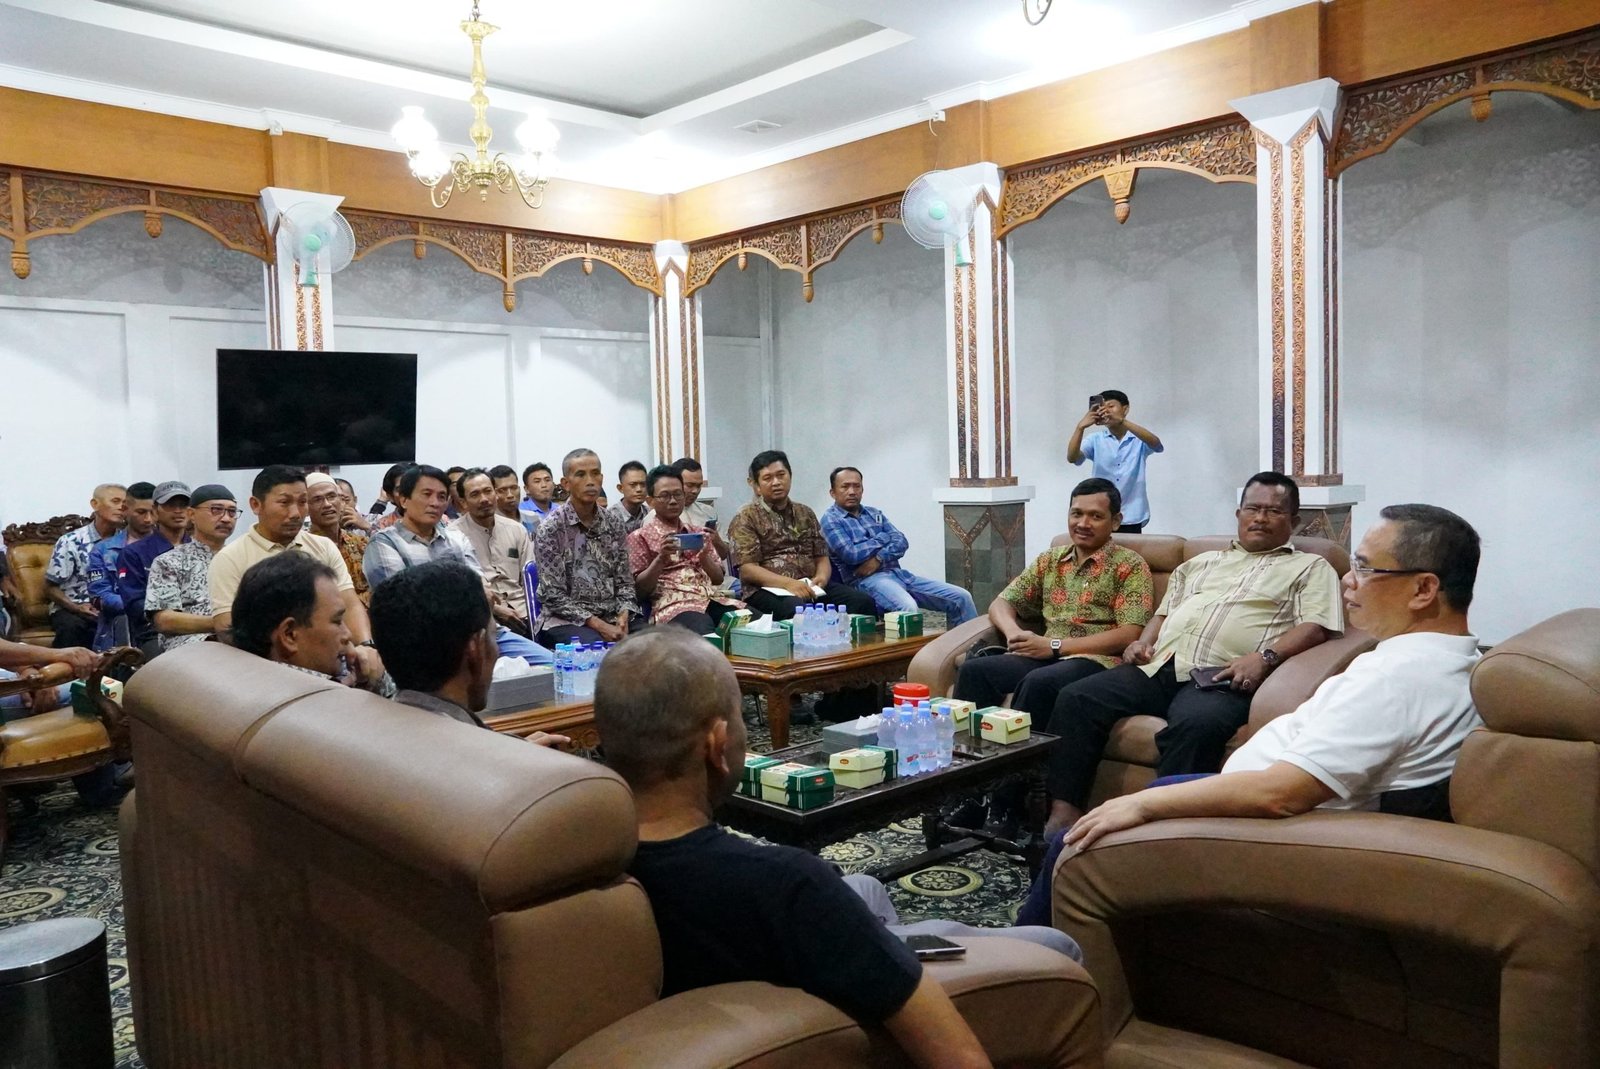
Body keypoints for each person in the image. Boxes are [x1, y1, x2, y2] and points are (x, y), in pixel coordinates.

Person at [594, 628, 1079, 1069]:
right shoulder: (787, 883)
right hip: (812, 989)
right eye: (740, 716)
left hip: (724, 986)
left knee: (865, 886)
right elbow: (959, 1057)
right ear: (718, 746)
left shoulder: (580, 858)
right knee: (1057, 944)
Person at [1041, 472, 1343, 837]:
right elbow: (1163, 613)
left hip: (1222, 675)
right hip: (1160, 665)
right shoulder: (1200, 563)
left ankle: (1167, 833)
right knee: (1077, 698)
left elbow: (1316, 626)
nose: (1260, 518)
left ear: (1293, 521)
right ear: (1239, 514)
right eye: (1252, 509)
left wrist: (1264, 657)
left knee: (1196, 726)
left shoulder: (1310, 568)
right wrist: (1142, 643)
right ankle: (1064, 813)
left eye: (1273, 511)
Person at [955, 478, 1153, 719]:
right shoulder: (1050, 560)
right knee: (974, 671)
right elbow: (1003, 602)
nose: (1083, 523)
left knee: (1039, 683)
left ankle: (1025, 746)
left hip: (1095, 660)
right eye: (1076, 514)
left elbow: (1130, 633)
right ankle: (970, 743)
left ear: (1116, 521)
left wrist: (1055, 646)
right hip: (1042, 653)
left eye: (1096, 516)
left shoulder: (1130, 565)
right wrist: (1014, 634)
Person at [209, 465, 383, 683]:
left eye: (302, 502)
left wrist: (365, 647)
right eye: (284, 503)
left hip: (334, 659)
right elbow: (228, 627)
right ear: (256, 504)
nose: (296, 513)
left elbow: (349, 603)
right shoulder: (230, 558)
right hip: (269, 672)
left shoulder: (323, 547)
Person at [364, 465, 551, 666]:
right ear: (403, 500)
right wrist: (460, 593)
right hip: (426, 643)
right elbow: (404, 605)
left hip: (481, 633)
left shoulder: (456, 539)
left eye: (441, 496)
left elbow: (482, 593)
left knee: (555, 667)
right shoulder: (385, 543)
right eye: (427, 494)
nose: (435, 503)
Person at [369, 559, 567, 747]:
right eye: (493, 636)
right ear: (476, 649)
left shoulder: (372, 735)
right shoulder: (486, 760)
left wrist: (511, 749)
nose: (497, 650)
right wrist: (515, 759)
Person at [726, 450, 877, 622]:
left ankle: (858, 641)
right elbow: (748, 570)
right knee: (798, 610)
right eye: (768, 478)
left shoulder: (805, 513)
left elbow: (821, 556)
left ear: (790, 476)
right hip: (766, 590)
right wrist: (789, 584)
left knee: (862, 602)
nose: (776, 482)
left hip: (809, 585)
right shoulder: (746, 517)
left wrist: (821, 578)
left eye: (781, 475)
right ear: (756, 485)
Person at [821, 466, 978, 626]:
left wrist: (878, 558)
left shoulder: (874, 513)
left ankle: (970, 642)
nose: (852, 492)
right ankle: (910, 644)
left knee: (961, 597)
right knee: (908, 608)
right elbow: (852, 554)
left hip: (900, 575)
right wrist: (883, 537)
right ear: (833, 492)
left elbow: (901, 541)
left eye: (857, 486)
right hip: (868, 581)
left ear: (862, 489)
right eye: (845, 487)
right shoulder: (831, 520)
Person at [228, 553, 393, 696]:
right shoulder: (328, 701)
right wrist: (375, 684)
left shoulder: (242, 684)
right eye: (337, 621)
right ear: (289, 635)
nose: (347, 634)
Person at [532, 449, 640, 646]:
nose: (590, 481)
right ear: (566, 483)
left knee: (656, 643)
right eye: (581, 475)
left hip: (612, 615)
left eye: (595, 473)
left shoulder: (614, 523)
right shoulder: (551, 528)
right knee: (597, 649)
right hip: (566, 621)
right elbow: (553, 595)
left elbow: (625, 582)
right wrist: (599, 625)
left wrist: (624, 614)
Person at [627, 464, 740, 634]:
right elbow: (639, 592)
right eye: (665, 496)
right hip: (674, 606)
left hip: (711, 599)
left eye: (678, 494)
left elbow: (717, 579)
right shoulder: (639, 537)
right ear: (650, 501)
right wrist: (660, 559)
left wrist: (704, 558)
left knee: (753, 621)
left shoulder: (698, 533)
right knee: (702, 628)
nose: (673, 501)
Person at [146, 484, 237, 652]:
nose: (226, 518)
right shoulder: (169, 561)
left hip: (242, 642)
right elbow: (164, 620)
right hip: (190, 646)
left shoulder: (241, 558)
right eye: (216, 510)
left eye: (232, 512)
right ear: (191, 515)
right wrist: (223, 624)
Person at [450, 468, 535, 636]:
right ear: (463, 502)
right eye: (475, 494)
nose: (484, 499)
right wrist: (496, 609)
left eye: (488, 491)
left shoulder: (516, 529)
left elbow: (530, 579)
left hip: (525, 611)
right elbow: (460, 590)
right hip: (484, 617)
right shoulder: (453, 536)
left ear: (495, 494)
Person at [44, 483, 128, 648]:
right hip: (73, 608)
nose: (121, 507)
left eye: (125, 504)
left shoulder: (128, 541)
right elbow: (49, 588)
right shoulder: (71, 541)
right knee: (72, 627)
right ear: (95, 504)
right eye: (115, 501)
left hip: (114, 606)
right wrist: (76, 608)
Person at [1067, 390, 1163, 533]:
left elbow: (1157, 446)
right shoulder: (1095, 439)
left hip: (1132, 513)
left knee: (1129, 547)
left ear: (1125, 409)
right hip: (1100, 513)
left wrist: (1122, 421)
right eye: (1102, 407)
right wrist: (1080, 427)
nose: (1106, 411)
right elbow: (1073, 458)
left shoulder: (1138, 438)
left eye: (1111, 406)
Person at [115, 481, 192, 649]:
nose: (178, 511)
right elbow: (135, 605)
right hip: (154, 633)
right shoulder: (134, 553)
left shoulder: (201, 550)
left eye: (183, 505)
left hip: (203, 628)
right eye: (170, 505)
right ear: (156, 511)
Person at [85, 481, 155, 650]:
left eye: (153, 512)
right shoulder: (103, 550)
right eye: (141, 512)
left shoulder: (170, 546)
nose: (148, 519)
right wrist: (145, 605)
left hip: (168, 624)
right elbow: (100, 597)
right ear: (125, 510)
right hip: (122, 627)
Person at [307, 473, 370, 605]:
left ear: (341, 501)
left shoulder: (361, 543)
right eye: (317, 499)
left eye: (332, 496)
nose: (327, 504)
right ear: (306, 507)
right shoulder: (304, 549)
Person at [674, 457, 731, 565]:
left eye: (699, 486)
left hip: (710, 571)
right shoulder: (657, 516)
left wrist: (716, 540)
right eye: (690, 485)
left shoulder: (709, 513)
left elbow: (723, 555)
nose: (695, 491)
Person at [487, 464, 531, 532]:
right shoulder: (489, 524)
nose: (510, 495)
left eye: (514, 488)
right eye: (502, 490)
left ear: (519, 488)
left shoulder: (533, 518)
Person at [610, 460, 650, 535]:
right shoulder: (610, 518)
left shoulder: (650, 515)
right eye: (633, 485)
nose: (639, 489)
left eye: (643, 484)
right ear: (620, 488)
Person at [521, 462, 556, 526]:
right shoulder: (520, 511)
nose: (544, 485)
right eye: (537, 481)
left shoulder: (560, 510)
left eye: (547, 480)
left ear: (553, 485)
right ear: (527, 489)